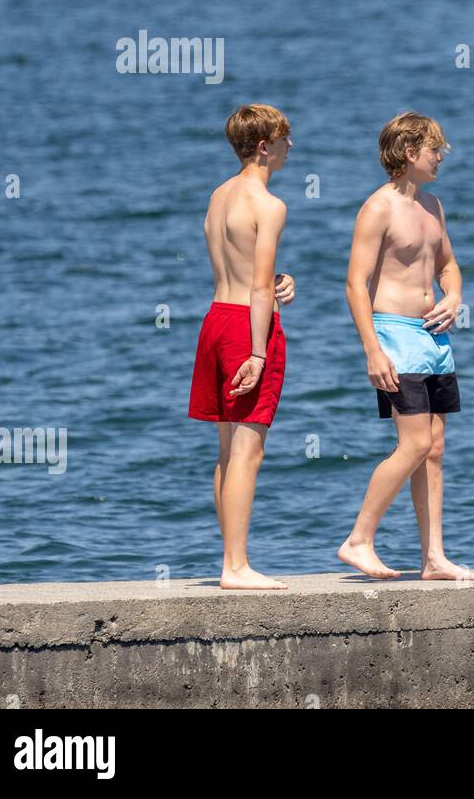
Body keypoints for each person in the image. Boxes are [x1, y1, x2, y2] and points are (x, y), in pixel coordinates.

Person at [338, 112, 474, 581]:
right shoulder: (378, 208)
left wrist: (455, 297)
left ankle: (433, 557)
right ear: (408, 152)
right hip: (395, 334)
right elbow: (355, 285)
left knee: (435, 447)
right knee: (414, 442)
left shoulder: (432, 204)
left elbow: (448, 266)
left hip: (434, 337)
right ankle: (358, 540)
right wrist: (373, 350)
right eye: (434, 149)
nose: (441, 157)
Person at [188, 103, 297, 589]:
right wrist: (257, 353)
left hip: (215, 320)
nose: (290, 146)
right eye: (284, 138)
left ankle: (230, 561)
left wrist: (279, 281)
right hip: (247, 329)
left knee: (228, 450)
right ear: (263, 147)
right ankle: (236, 566)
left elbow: (246, 272)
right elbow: (257, 288)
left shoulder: (218, 196)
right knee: (248, 453)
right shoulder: (269, 205)